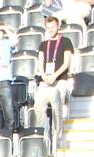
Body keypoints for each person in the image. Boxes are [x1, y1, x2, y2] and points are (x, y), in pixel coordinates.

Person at [32, 16, 74, 145]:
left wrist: (54, 75)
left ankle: (58, 136)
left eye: (53, 27)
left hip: (60, 79)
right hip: (45, 81)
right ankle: (42, 132)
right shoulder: (43, 44)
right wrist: (44, 76)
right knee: (37, 105)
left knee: (57, 108)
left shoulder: (66, 41)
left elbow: (66, 63)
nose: (51, 30)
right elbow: (40, 63)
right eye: (48, 28)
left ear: (58, 26)